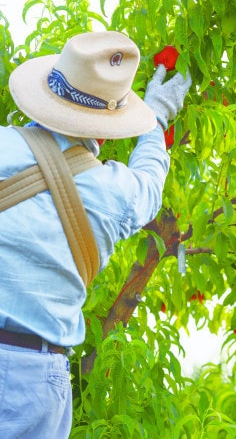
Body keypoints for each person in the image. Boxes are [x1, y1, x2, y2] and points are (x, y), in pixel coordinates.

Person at [0, 31, 191, 438]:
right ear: (106, 131)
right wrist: (155, 118)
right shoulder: (116, 195)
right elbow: (151, 183)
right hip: (36, 380)